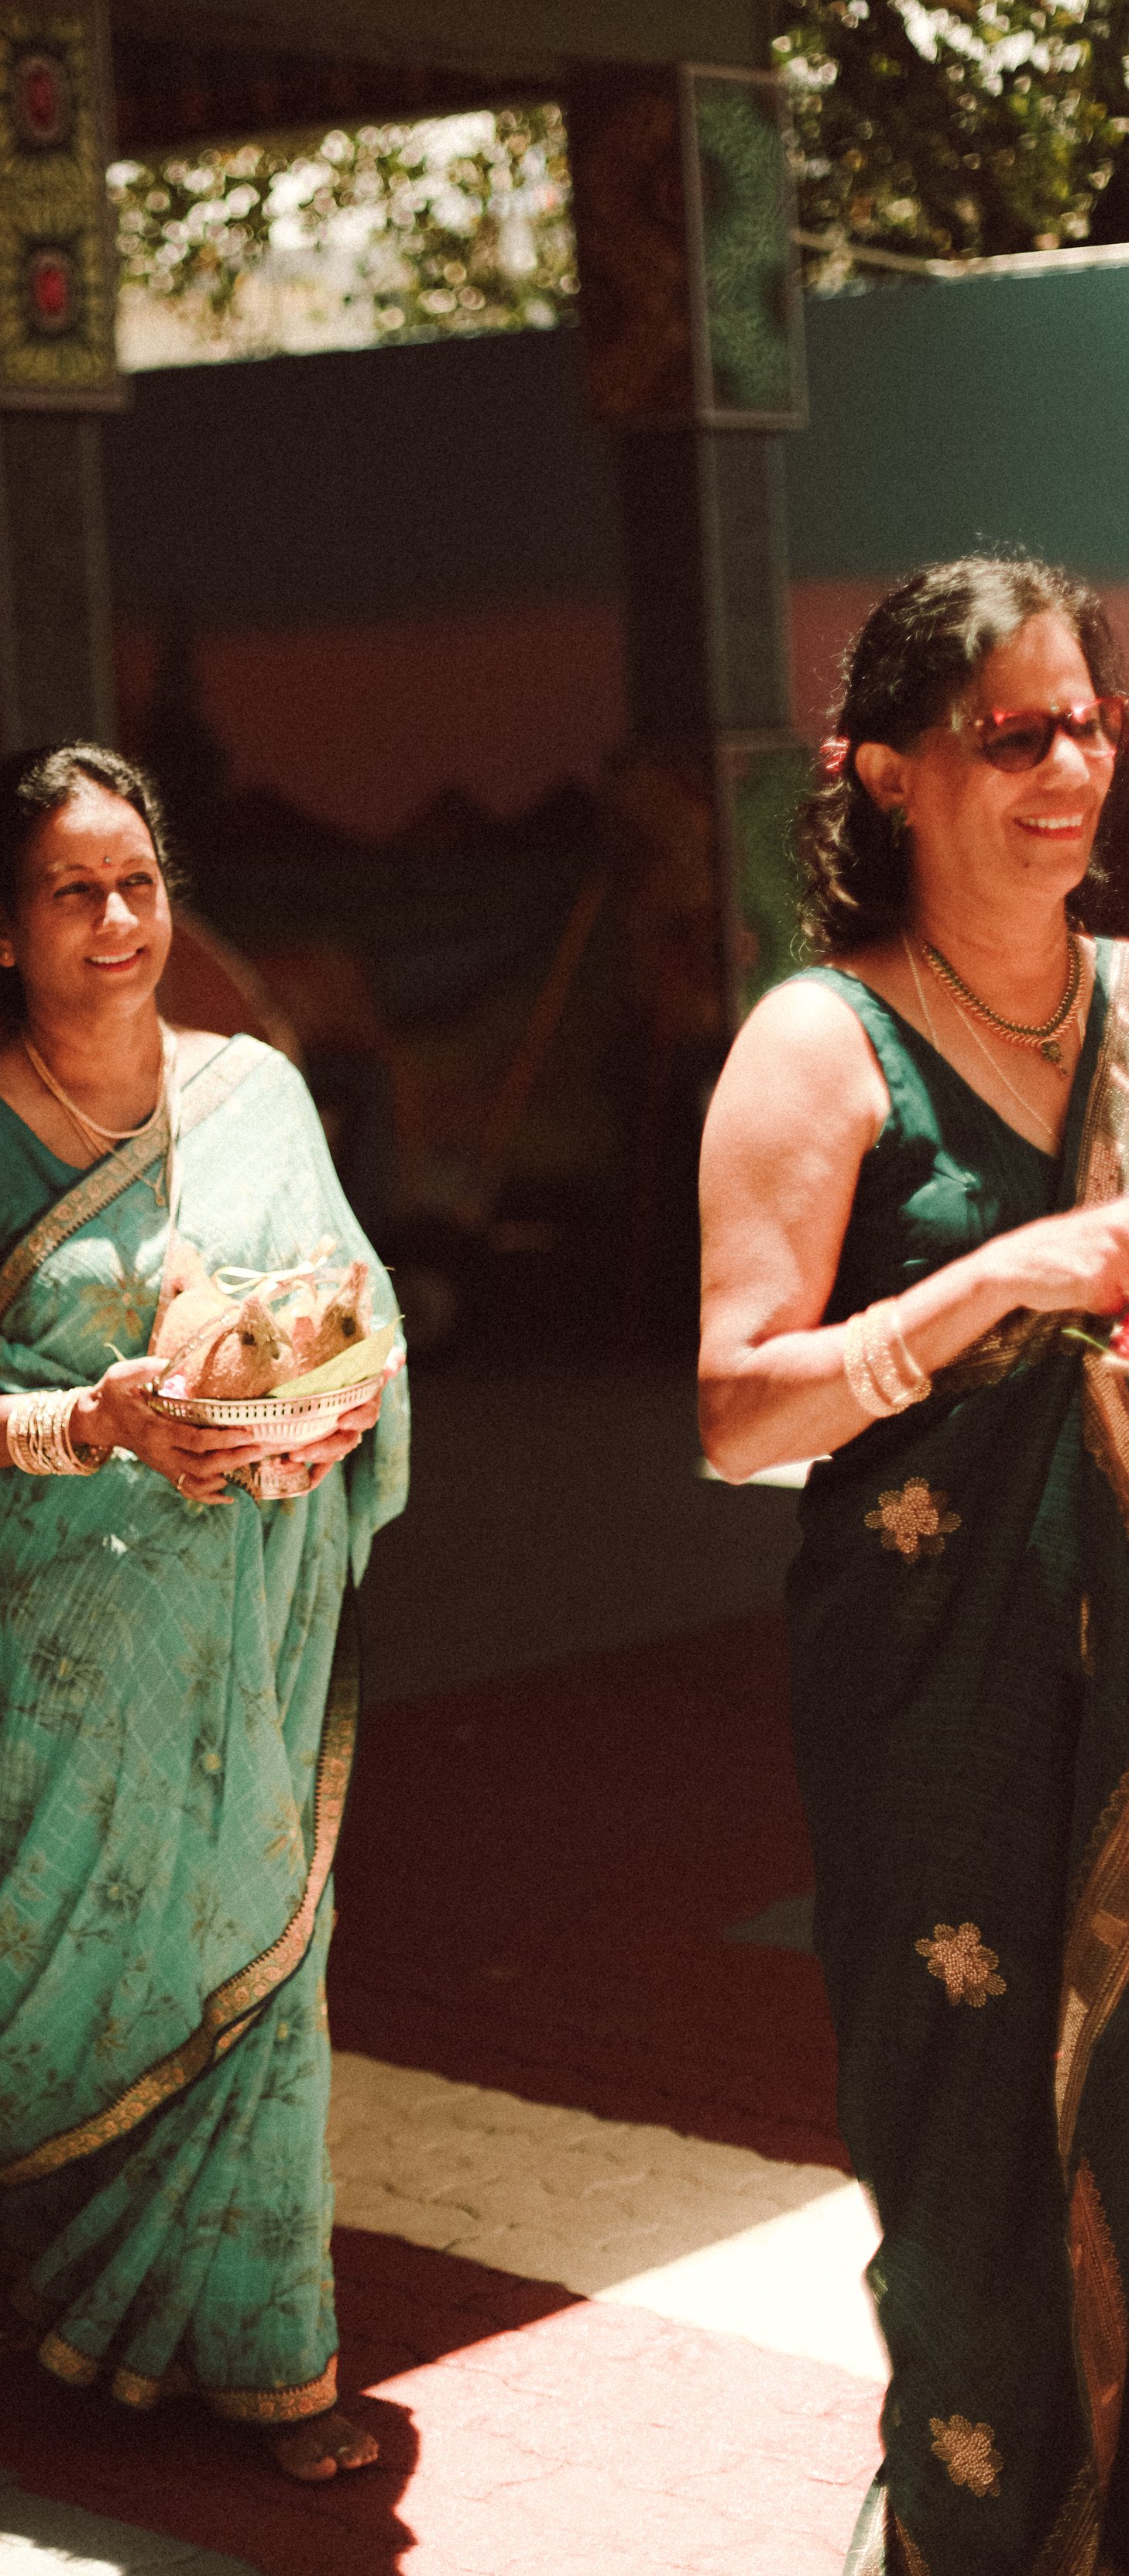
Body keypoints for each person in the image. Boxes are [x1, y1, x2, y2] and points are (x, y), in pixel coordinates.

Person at [0, 742, 408, 2484]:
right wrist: (89, 1422)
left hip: (241, 1623)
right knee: (67, 1957)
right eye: (71, 892)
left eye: (140, 883)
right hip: (75, 1638)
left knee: (260, 1941)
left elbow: (355, 1321)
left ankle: (270, 2351)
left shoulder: (255, 1088)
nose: (116, 920)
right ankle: (7, 2221)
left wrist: (316, 1414)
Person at [699, 557, 1129, 2574]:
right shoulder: (822, 1040)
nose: (1072, 765)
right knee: (968, 2201)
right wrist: (1002, 1276)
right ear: (882, 771)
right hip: (934, 1715)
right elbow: (732, 1409)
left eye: (1086, 720)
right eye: (1011, 732)